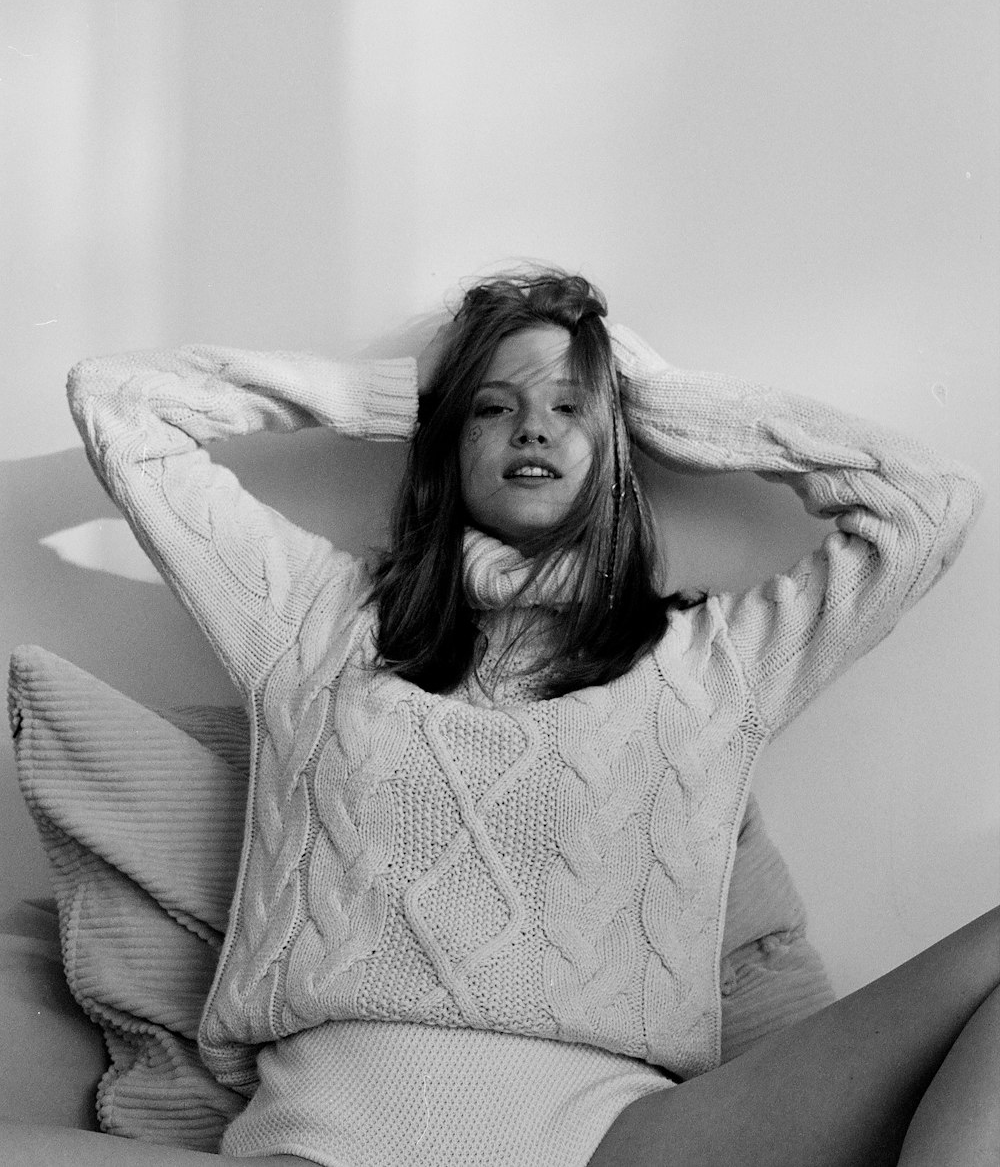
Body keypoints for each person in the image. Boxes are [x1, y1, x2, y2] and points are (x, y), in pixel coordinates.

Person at [4, 268, 995, 1167]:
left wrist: (665, 403)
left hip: (620, 1140)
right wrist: (375, 393)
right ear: (444, 439)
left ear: (616, 445)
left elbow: (927, 503)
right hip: (329, 1142)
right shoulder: (310, 619)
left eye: (570, 406)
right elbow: (121, 406)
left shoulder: (717, 663)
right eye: (493, 406)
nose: (533, 428)